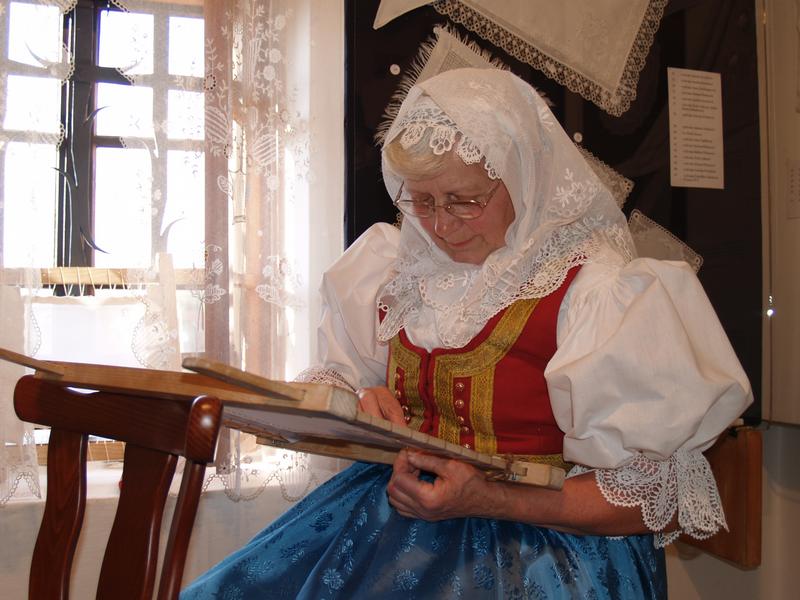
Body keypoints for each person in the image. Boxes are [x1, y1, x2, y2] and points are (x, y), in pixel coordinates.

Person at [180, 68, 752, 599]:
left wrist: (492, 498)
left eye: (464, 200)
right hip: (389, 523)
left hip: (541, 556)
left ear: (523, 179)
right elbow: (337, 374)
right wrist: (354, 401)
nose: (441, 226)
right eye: (422, 201)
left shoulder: (599, 293)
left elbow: (651, 499)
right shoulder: (398, 271)